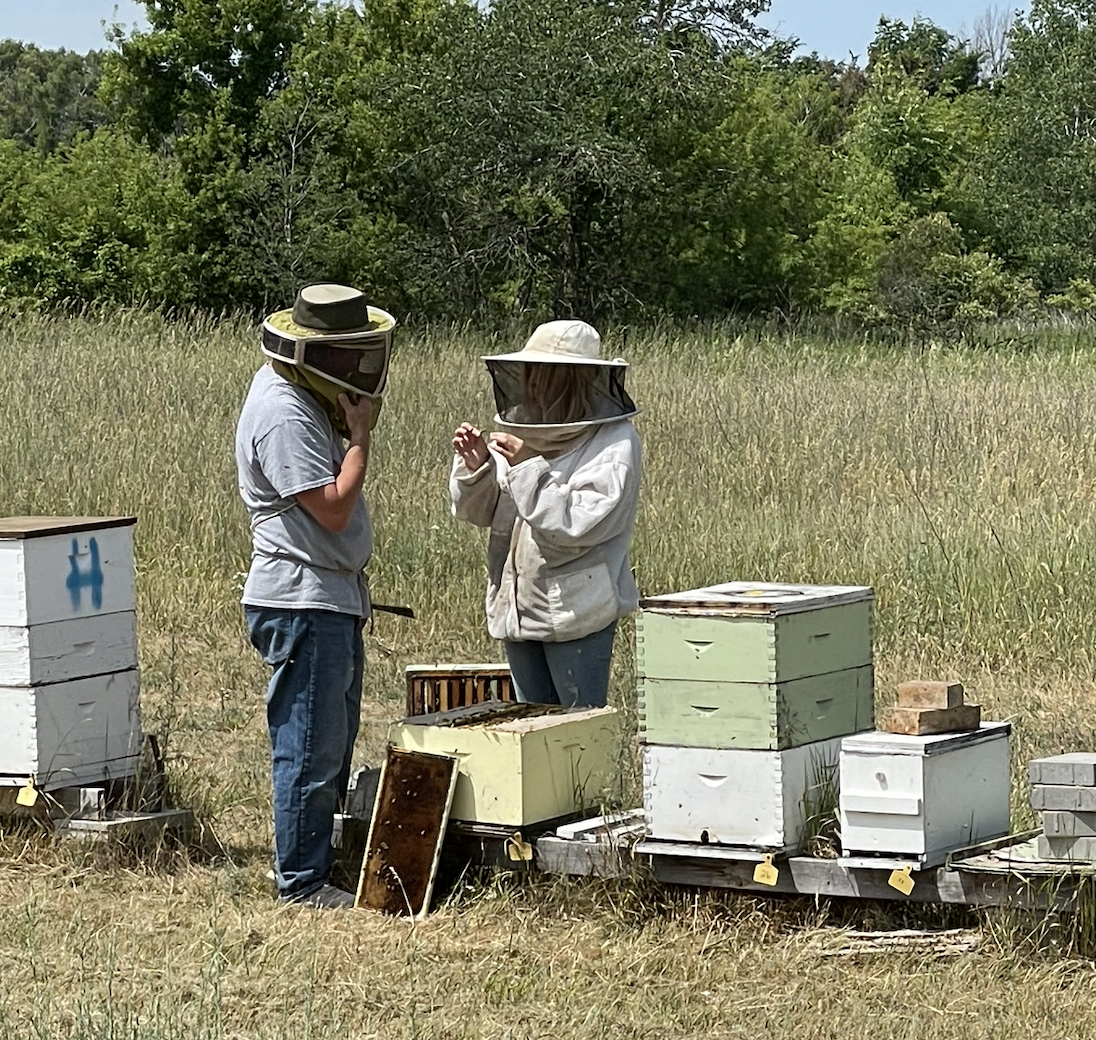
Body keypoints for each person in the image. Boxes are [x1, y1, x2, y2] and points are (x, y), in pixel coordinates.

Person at [235, 282, 395, 909]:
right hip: (301, 598)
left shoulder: (297, 394)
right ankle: (301, 884)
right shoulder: (283, 411)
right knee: (308, 746)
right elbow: (330, 509)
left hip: (327, 595)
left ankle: (315, 866)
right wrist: (360, 435)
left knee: (328, 741)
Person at [449, 319, 641, 708]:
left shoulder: (614, 443)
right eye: (529, 371)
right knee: (532, 735)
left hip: (577, 612)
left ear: (570, 379)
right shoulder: (526, 430)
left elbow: (575, 525)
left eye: (543, 373)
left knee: (576, 737)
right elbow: (488, 512)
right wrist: (480, 468)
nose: (531, 382)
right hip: (519, 605)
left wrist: (526, 467)